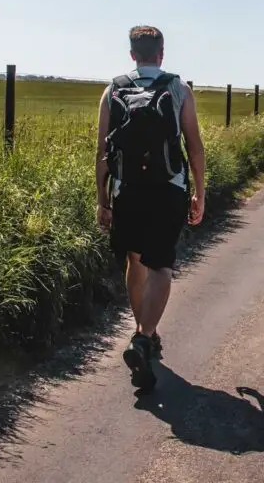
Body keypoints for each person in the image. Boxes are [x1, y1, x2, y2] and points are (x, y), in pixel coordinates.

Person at [96, 25, 206, 391]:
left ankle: (145, 332)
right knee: (161, 266)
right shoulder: (178, 89)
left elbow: (103, 153)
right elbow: (194, 147)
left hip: (128, 191)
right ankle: (144, 337)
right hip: (168, 189)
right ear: (161, 53)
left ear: (132, 54)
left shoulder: (113, 90)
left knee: (135, 261)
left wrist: (103, 200)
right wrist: (200, 193)